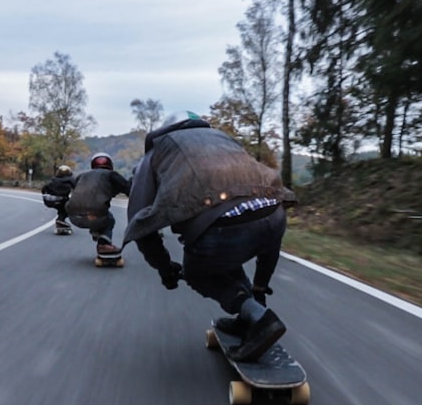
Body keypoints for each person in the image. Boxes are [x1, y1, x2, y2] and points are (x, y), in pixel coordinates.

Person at [123, 111, 297, 362]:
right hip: (275, 214)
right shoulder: (223, 140)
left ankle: (260, 319)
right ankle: (251, 312)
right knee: (231, 250)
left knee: (198, 272)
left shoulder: (156, 152)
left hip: (223, 229)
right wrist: (260, 286)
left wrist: (164, 268)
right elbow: (264, 220)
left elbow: (140, 222)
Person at [67, 152, 131, 255]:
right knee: (109, 219)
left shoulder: (81, 176)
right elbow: (128, 189)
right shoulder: (111, 175)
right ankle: (104, 244)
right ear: (110, 164)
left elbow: (77, 192)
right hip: (96, 216)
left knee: (97, 212)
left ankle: (96, 231)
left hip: (73, 216)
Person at [41, 165, 75, 231]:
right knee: (70, 207)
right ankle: (60, 219)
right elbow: (76, 188)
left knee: (61, 207)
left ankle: (60, 220)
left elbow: (44, 188)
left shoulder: (54, 179)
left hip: (48, 200)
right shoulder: (70, 179)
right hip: (61, 199)